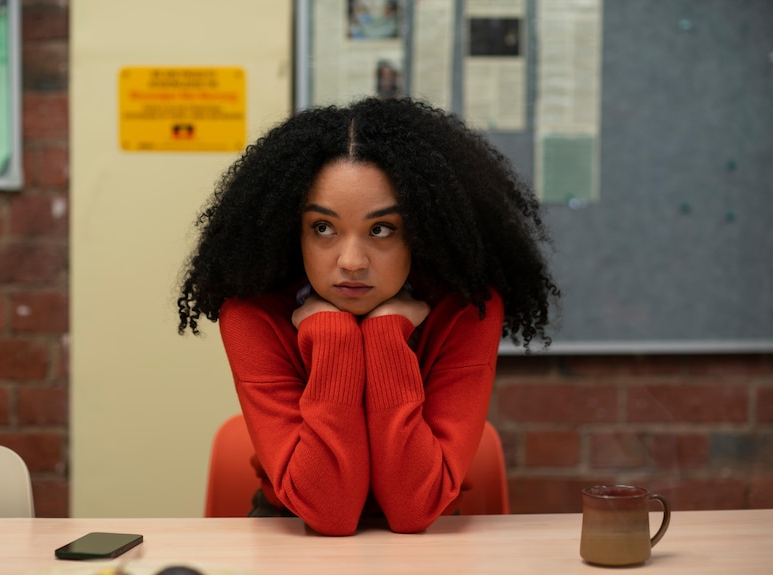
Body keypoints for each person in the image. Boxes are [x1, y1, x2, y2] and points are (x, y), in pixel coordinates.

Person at [177, 97, 559, 536]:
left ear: (423, 231)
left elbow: (415, 508)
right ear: (291, 232)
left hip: (431, 542)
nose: (352, 261)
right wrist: (333, 336)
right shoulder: (252, 316)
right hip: (292, 530)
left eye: (382, 229)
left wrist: (384, 336)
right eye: (323, 228)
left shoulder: (466, 310)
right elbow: (329, 512)